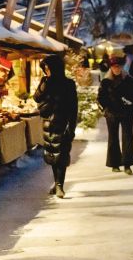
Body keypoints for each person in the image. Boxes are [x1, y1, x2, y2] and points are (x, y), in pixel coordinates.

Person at [33, 55, 78, 199]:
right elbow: (36, 97)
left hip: (63, 123)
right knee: (52, 155)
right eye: (45, 68)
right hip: (48, 123)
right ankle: (56, 182)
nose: (46, 70)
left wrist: (72, 126)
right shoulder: (47, 82)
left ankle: (60, 186)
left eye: (48, 67)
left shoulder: (68, 84)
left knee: (62, 155)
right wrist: (43, 82)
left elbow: (73, 107)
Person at [98, 55, 133, 175]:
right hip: (112, 113)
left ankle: (127, 164)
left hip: (127, 112)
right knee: (113, 138)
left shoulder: (129, 79)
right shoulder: (105, 81)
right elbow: (100, 97)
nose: (117, 69)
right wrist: (105, 108)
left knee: (127, 137)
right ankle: (114, 163)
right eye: (114, 67)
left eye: (119, 67)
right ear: (111, 68)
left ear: (122, 67)